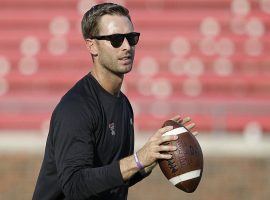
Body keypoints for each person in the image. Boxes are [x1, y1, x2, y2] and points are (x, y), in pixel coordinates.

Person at [33, 3, 196, 200]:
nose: (127, 46)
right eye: (116, 40)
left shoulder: (123, 104)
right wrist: (138, 158)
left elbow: (112, 178)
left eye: (131, 38)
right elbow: (74, 185)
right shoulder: (75, 108)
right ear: (92, 46)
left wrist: (154, 157)